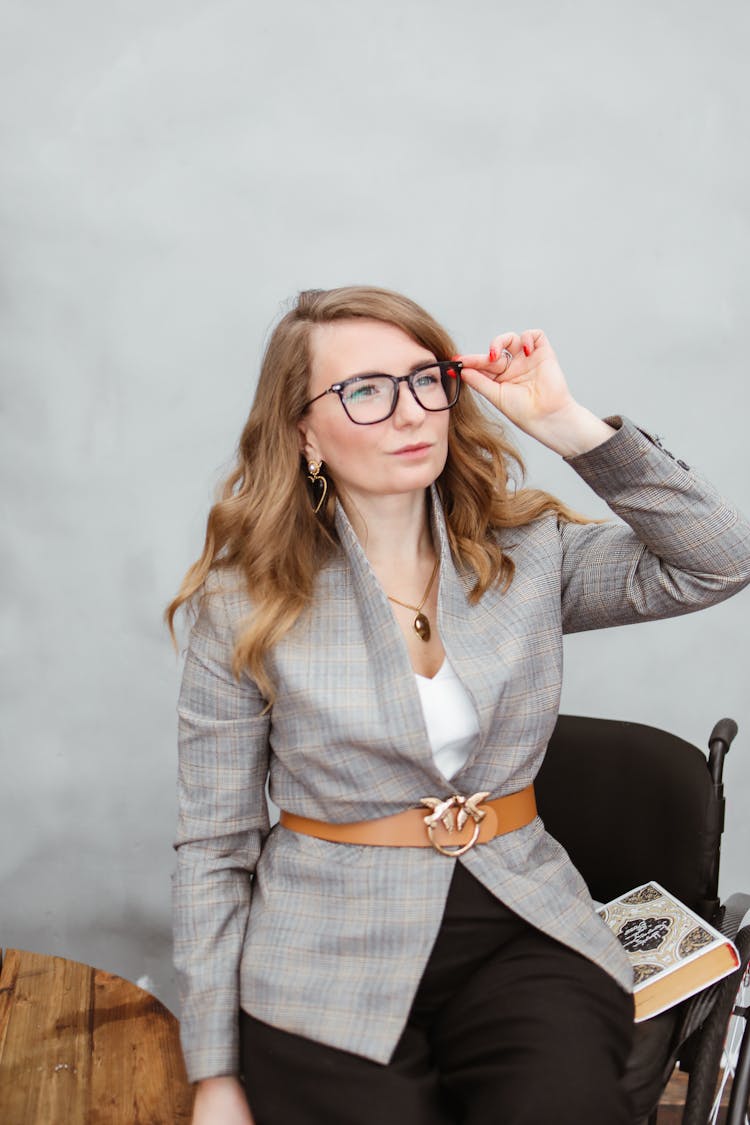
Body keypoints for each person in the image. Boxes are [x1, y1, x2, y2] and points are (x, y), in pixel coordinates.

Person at [167, 285, 750, 1125]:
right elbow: (215, 847)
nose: (409, 412)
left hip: (520, 923)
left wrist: (567, 425)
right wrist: (214, 1074)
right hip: (322, 946)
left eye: (425, 379)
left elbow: (720, 560)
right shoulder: (245, 600)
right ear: (302, 430)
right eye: (364, 390)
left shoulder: (529, 555)